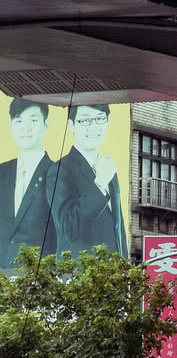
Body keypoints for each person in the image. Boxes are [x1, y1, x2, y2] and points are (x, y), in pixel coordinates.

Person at [0, 99, 63, 268]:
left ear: (46, 124)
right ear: (11, 126)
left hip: (38, 280)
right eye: (19, 120)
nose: (25, 128)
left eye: (33, 120)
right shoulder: (1, 172)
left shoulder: (58, 173)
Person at [55, 103, 124, 255]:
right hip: (78, 273)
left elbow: (118, 229)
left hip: (113, 273)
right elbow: (69, 229)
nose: (94, 127)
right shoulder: (60, 169)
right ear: (71, 126)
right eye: (85, 120)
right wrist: (99, 184)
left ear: (107, 122)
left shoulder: (107, 167)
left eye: (100, 119)